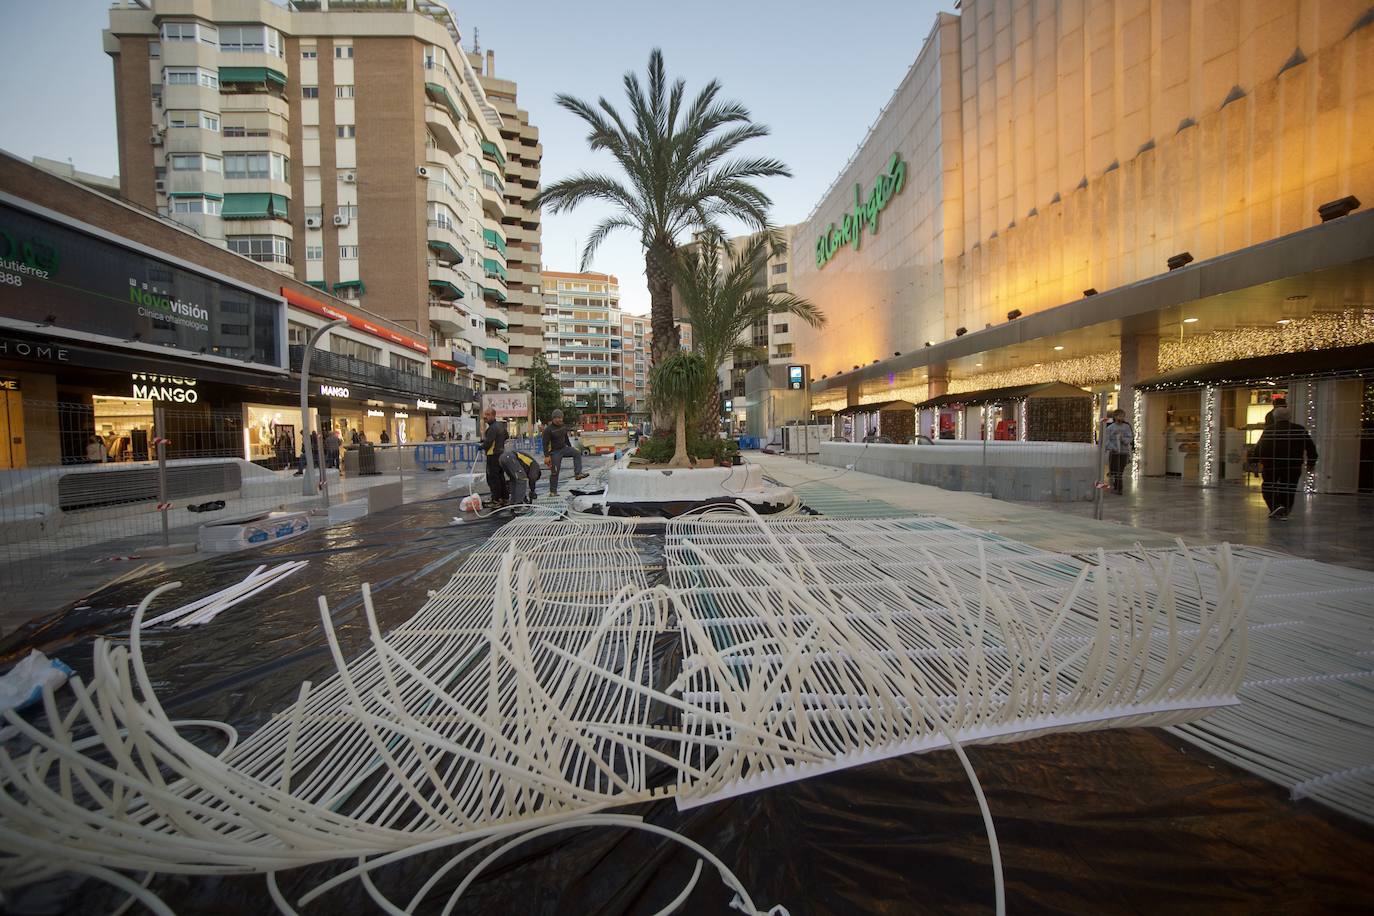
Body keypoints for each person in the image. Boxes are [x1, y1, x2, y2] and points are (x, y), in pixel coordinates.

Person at [1252, 405, 1318, 519]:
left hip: (1272, 464)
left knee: (1268, 486)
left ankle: (1276, 507)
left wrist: (1254, 461)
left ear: (1274, 417)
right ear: (1289, 417)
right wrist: (1311, 462)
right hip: (1293, 465)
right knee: (1289, 488)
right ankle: (1283, 509)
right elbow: (1310, 447)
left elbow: (1260, 447)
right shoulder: (1299, 429)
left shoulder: (1269, 430)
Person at [541, 409, 588, 496]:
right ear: (553, 419)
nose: (560, 420)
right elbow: (545, 444)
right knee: (555, 471)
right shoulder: (548, 430)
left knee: (577, 453)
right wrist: (546, 456)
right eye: (558, 418)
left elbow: (565, 438)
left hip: (563, 448)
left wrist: (570, 447)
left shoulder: (563, 426)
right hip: (554, 452)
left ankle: (578, 473)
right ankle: (553, 491)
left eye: (561, 418)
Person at [481, 407, 509, 506]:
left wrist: (482, 446)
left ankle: (496, 499)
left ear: (493, 415)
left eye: (488, 415)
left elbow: (488, 442)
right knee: (500, 477)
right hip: (501, 454)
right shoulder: (501, 426)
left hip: (493, 455)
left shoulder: (492, 428)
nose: (485, 417)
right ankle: (504, 497)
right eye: (485, 414)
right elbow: (506, 436)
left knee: (493, 478)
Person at [500, 440, 541, 506]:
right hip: (510, 457)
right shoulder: (535, 466)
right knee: (522, 479)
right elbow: (532, 478)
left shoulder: (527, 466)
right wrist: (532, 490)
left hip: (503, 458)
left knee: (514, 480)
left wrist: (523, 496)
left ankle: (513, 503)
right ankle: (519, 505)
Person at [1104, 409, 1134, 495]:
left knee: (1120, 470)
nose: (1121, 418)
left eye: (1123, 416)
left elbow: (1130, 437)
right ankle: (1118, 487)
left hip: (1124, 452)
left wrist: (1123, 439)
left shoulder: (1126, 427)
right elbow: (1107, 440)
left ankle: (1118, 486)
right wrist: (1113, 447)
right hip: (1114, 453)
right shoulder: (1110, 428)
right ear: (1115, 417)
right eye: (1120, 416)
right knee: (1116, 470)